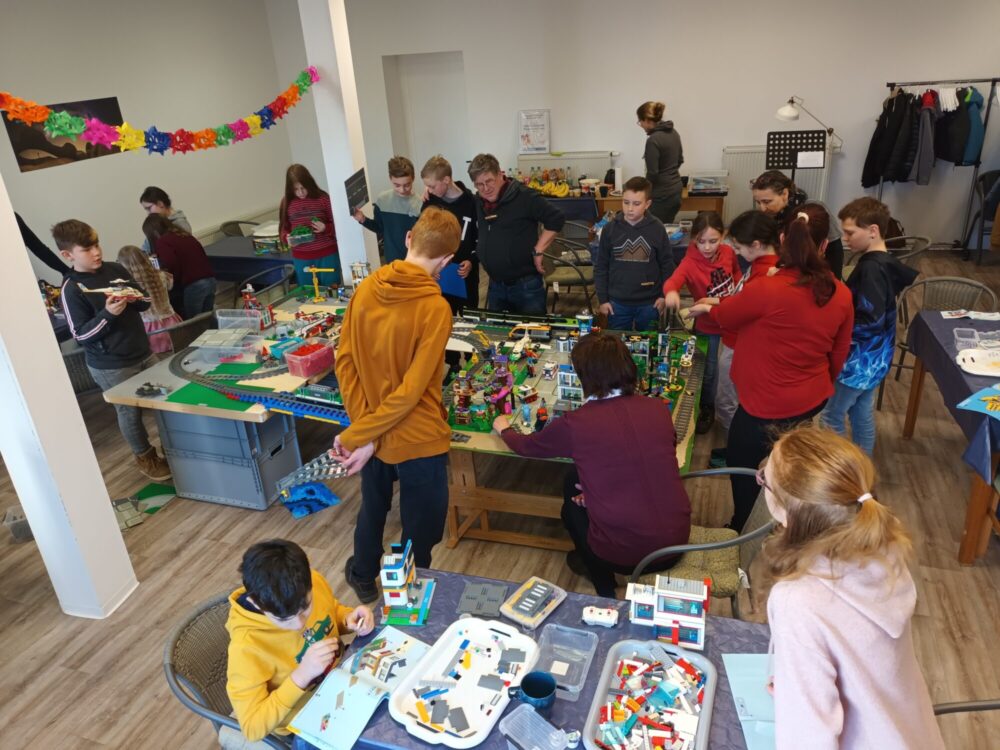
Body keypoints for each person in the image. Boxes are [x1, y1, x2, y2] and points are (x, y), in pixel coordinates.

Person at [760, 426, 944, 749]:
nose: (761, 478)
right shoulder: (885, 549)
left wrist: (799, 690)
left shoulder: (797, 602)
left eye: (764, 478)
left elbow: (809, 740)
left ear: (785, 510)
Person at [690, 204, 853, 530]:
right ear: (823, 246)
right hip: (810, 396)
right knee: (787, 457)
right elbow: (838, 355)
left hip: (764, 403)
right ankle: (788, 514)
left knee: (743, 461)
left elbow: (724, 315)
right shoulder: (841, 292)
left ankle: (744, 526)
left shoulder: (767, 288)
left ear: (781, 238)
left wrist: (705, 307)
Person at [492, 332, 691, 598]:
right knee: (575, 479)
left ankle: (604, 585)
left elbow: (528, 447)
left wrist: (505, 429)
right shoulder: (657, 409)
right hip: (677, 541)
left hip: (626, 554)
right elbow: (650, 455)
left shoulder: (576, 423)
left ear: (584, 376)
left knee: (570, 508)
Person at [336, 207, 460, 604]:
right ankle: (406, 598)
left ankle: (362, 576)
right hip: (418, 436)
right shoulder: (436, 307)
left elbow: (345, 363)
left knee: (372, 509)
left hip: (373, 426)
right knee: (418, 529)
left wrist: (365, 429)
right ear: (447, 260)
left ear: (408, 239)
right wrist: (362, 434)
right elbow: (411, 391)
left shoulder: (366, 288)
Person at [54, 219, 170, 481]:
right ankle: (146, 457)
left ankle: (174, 448)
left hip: (143, 352)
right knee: (130, 413)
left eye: (96, 245)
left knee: (166, 400)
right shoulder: (71, 289)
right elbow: (81, 334)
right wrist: (108, 314)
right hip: (111, 365)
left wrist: (133, 297)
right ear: (67, 255)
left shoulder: (116, 268)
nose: (96, 252)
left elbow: (146, 301)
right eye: (86, 249)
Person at [226, 539, 374, 743]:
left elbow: (330, 611)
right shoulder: (246, 648)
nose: (298, 624)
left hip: (343, 680)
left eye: (305, 608)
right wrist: (301, 676)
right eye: (283, 619)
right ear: (255, 603)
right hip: (304, 721)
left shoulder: (309, 581)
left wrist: (349, 619)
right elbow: (252, 727)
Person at [820, 198, 918, 454]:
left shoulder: (871, 270)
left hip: (857, 363)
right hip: (877, 359)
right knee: (861, 413)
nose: (845, 239)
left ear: (873, 231)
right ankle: (864, 469)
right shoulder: (884, 263)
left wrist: (834, 333)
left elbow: (870, 321)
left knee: (830, 417)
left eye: (851, 233)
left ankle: (843, 475)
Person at [698, 211, 781, 467]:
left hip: (741, 345)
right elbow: (739, 298)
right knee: (731, 400)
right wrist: (712, 301)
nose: (735, 252)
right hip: (737, 343)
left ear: (755, 245)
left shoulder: (765, 273)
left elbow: (736, 313)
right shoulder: (757, 268)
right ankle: (738, 449)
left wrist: (709, 308)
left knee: (729, 401)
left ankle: (742, 455)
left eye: (738, 247)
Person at [662, 211, 741, 434]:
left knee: (733, 367)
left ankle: (732, 404)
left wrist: (736, 292)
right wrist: (671, 293)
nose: (707, 247)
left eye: (713, 241)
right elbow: (673, 281)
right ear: (694, 238)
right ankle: (707, 407)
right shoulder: (689, 262)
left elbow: (736, 274)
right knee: (709, 371)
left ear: (723, 237)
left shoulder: (727, 252)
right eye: (701, 241)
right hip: (708, 325)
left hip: (732, 320)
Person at [468, 153, 565, 315]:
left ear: (500, 174)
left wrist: (539, 249)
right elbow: (452, 191)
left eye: (489, 181)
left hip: (526, 287)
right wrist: (430, 191)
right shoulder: (479, 201)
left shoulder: (524, 196)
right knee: (499, 337)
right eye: (479, 185)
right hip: (496, 286)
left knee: (534, 335)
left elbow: (556, 218)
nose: (485, 188)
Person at [594, 176, 674, 331]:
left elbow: (667, 265)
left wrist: (664, 296)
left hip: (650, 304)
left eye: (636, 204)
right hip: (617, 303)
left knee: (649, 345)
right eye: (626, 202)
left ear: (647, 204)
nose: (630, 208)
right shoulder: (610, 230)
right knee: (616, 346)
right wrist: (603, 300)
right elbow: (601, 267)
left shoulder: (657, 228)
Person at [751, 170, 844, 279]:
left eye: (767, 202)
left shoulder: (814, 208)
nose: (762, 208)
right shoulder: (770, 213)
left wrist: (832, 279)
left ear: (785, 194)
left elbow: (834, 250)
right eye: (758, 202)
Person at [420, 155, 480, 310]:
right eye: (428, 187)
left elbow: (480, 238)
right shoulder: (430, 202)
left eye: (432, 186)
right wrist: (429, 267)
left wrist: (472, 261)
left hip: (464, 274)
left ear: (446, 180)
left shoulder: (472, 202)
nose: (430, 190)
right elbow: (423, 238)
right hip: (439, 275)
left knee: (469, 319)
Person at [142, 214, 217, 319]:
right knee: (207, 318)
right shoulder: (184, 235)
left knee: (193, 321)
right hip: (210, 280)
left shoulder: (163, 241)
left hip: (194, 285)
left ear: (153, 233)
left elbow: (170, 263)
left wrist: (170, 279)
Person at [279, 163, 341, 289]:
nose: (300, 193)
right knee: (308, 292)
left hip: (327, 255)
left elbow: (340, 225)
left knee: (331, 290)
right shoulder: (286, 202)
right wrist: (287, 239)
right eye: (296, 189)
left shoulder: (323, 198)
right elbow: (283, 229)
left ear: (309, 184)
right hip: (302, 258)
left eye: (303, 188)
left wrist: (325, 228)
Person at [354, 156, 423, 264]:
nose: (402, 190)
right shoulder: (382, 200)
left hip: (415, 262)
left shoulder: (420, 203)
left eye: (407, 185)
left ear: (413, 178)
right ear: (390, 178)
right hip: (391, 262)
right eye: (397, 185)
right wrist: (363, 219)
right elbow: (380, 229)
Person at [117, 245, 183, 354]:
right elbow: (170, 286)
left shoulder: (127, 287)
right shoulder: (162, 276)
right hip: (172, 323)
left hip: (149, 330)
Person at [636, 101, 684, 224]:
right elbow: (680, 160)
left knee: (653, 231)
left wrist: (643, 191)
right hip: (676, 192)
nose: (640, 125)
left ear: (647, 120)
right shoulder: (674, 133)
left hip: (661, 196)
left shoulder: (653, 140)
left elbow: (653, 173)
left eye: (640, 121)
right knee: (666, 228)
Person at [139, 186, 191, 254]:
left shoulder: (181, 224)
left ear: (160, 204)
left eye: (149, 208)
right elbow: (146, 249)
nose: (148, 213)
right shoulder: (156, 224)